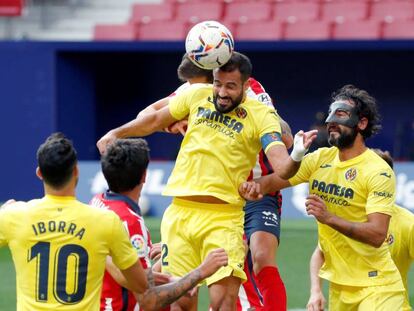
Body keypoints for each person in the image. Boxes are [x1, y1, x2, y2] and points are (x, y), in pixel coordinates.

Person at [97, 52, 317, 310]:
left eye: (230, 86)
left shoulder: (262, 116)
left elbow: (282, 166)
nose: (222, 92)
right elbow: (154, 118)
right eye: (218, 84)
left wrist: (298, 153)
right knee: (181, 301)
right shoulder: (197, 94)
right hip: (180, 214)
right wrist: (116, 133)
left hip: (223, 219)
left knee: (223, 301)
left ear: (246, 86)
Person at [140, 53, 292, 310]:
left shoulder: (252, 90)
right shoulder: (197, 90)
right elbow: (147, 115)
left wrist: (258, 116)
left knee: (261, 256)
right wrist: (172, 123)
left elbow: (285, 139)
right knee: (175, 276)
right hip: (213, 192)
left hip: (258, 185)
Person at [241, 85, 406, 310]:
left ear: (362, 123)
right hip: (339, 288)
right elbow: (268, 183)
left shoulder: (378, 171)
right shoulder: (319, 159)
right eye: (330, 115)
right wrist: (241, 187)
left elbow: (377, 234)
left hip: (378, 287)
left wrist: (328, 217)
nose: (331, 122)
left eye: (341, 115)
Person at [0, 133, 148, 310]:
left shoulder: (13, 216)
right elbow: (141, 285)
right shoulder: (106, 221)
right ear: (76, 171)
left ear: (40, 173)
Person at [91, 138, 228, 311]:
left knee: (179, 284)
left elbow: (122, 270)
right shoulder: (131, 223)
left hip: (97, 303)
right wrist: (201, 271)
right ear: (144, 175)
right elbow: (148, 301)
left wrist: (169, 277)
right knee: (183, 299)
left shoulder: (97, 202)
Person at [306, 149, 414, 311]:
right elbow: (320, 253)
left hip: (386, 298)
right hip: (342, 298)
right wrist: (315, 291)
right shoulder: (344, 216)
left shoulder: (408, 223)